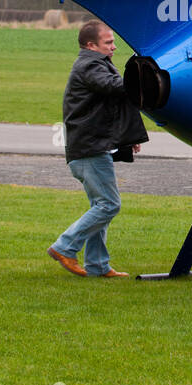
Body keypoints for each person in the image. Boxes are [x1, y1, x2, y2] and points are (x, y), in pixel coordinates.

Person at [47, 20, 148, 277]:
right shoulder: (90, 65)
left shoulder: (97, 63)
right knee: (109, 205)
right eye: (108, 42)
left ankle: (97, 265)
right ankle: (65, 247)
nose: (114, 47)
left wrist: (127, 137)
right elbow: (114, 87)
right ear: (91, 45)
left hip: (91, 146)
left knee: (100, 206)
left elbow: (112, 103)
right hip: (89, 149)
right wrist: (145, 79)